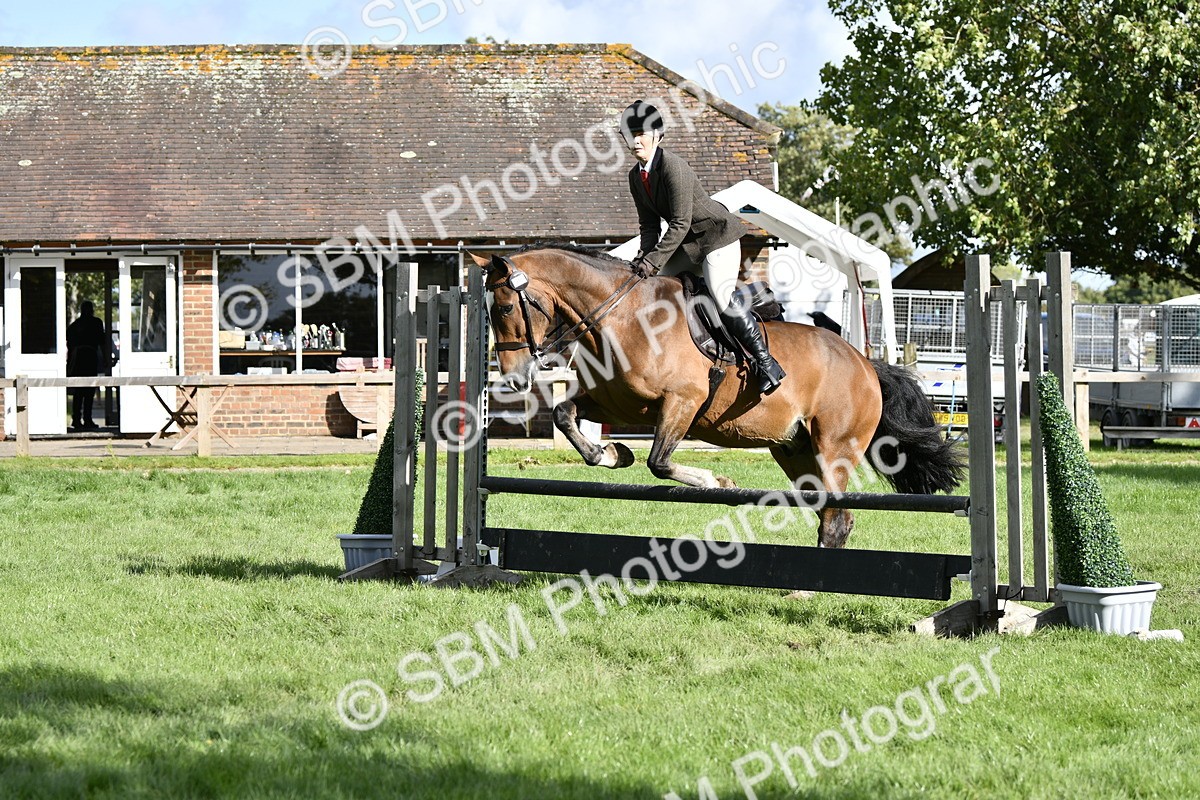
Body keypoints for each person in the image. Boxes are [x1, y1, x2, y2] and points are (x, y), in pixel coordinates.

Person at [620, 100, 786, 394]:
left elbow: (680, 223)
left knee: (721, 294)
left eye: (642, 133)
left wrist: (653, 261)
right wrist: (642, 261)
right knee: (650, 286)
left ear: (657, 134)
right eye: (629, 133)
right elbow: (649, 227)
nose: (635, 140)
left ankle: (766, 362)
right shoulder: (636, 176)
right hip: (687, 246)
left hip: (716, 237)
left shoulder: (673, 166)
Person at [66, 300, 108, 431]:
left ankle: (77, 419)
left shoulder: (74, 325)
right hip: (89, 356)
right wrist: (106, 358)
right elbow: (102, 341)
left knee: (79, 390)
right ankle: (87, 419)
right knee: (89, 389)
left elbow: (70, 343)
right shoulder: (96, 323)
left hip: (78, 358)